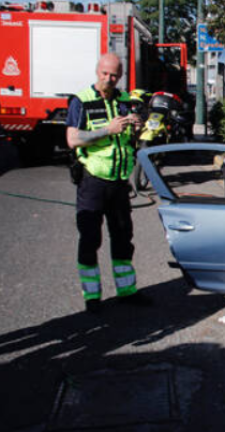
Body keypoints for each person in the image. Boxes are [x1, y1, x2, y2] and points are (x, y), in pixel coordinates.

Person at [66, 53, 150, 313]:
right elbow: (72, 139)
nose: (108, 79)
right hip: (93, 180)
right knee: (90, 238)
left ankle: (127, 290)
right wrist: (107, 130)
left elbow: (130, 139)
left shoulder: (126, 100)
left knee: (123, 237)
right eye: (104, 73)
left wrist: (136, 127)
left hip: (119, 182)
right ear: (97, 71)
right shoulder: (82, 100)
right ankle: (92, 297)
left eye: (114, 75)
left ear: (120, 75)